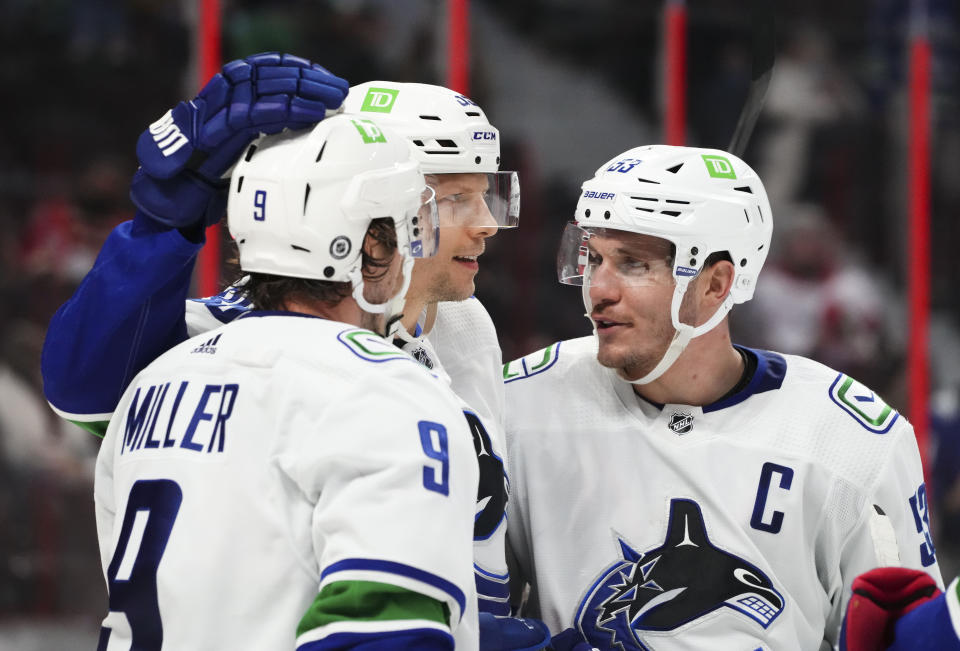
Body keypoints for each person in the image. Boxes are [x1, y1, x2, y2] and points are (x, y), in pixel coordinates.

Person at [40, 55, 518, 619]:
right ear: (374, 210)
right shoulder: (236, 343)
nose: (486, 222)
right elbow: (81, 389)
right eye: (457, 198)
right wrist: (160, 228)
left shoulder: (465, 323)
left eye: (487, 194)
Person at [503, 145, 941, 649]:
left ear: (716, 284)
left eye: (633, 264)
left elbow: (901, 640)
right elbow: (471, 614)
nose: (598, 290)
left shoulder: (849, 440)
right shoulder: (522, 403)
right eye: (594, 258)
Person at [94, 114, 479, 649]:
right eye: (413, 225)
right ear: (370, 246)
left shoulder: (154, 381)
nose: (419, 244)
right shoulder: (389, 390)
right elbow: (381, 635)